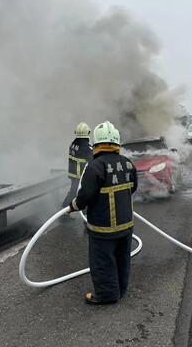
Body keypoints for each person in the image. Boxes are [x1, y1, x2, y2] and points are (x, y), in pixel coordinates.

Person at [67, 121, 138, 305]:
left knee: (103, 261)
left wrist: (73, 206)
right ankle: (120, 290)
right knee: (122, 258)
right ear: (116, 143)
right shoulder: (127, 164)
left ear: (97, 144)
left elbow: (85, 196)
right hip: (126, 225)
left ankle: (107, 295)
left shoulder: (96, 166)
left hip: (103, 228)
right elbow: (134, 187)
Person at [61, 122, 93, 208]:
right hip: (81, 176)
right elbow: (94, 160)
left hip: (73, 174)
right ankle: (85, 216)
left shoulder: (73, 144)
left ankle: (65, 213)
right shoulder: (87, 149)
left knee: (73, 193)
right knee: (85, 194)